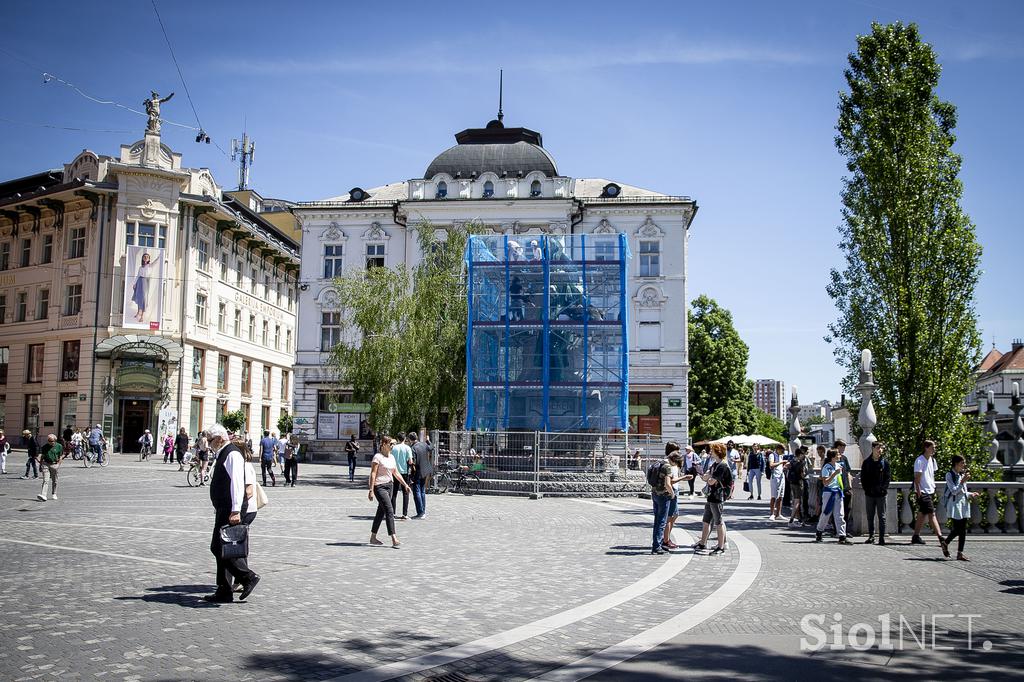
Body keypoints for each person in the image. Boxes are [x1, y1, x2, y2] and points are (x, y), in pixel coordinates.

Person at [204, 423, 259, 603]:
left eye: (211, 440)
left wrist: (235, 510)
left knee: (219, 547)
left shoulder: (232, 454)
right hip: (224, 508)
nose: (209, 444)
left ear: (220, 438)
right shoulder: (223, 453)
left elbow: (237, 484)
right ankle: (224, 589)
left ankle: (247, 577)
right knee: (223, 548)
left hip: (231, 509)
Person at [368, 436, 410, 548]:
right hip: (379, 486)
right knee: (389, 510)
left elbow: (396, 473)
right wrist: (371, 489)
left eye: (394, 444)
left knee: (380, 512)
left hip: (389, 486)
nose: (393, 446)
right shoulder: (377, 457)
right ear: (384, 444)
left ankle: (373, 537)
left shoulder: (392, 457)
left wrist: (405, 484)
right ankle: (394, 538)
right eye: (391, 444)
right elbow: (373, 474)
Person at [694, 443, 732, 554]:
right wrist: (707, 475)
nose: (711, 452)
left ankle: (721, 547)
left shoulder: (722, 466)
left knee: (718, 522)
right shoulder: (715, 464)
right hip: (711, 496)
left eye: (713, 450)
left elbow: (710, 481)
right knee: (706, 520)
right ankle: (703, 543)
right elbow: (705, 477)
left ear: (718, 452)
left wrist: (708, 477)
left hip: (718, 496)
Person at [911, 439, 948, 552]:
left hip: (930, 490)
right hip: (923, 491)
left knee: (922, 514)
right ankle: (941, 537)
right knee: (932, 514)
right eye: (932, 448)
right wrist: (919, 493)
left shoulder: (932, 460)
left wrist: (933, 487)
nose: (934, 450)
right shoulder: (919, 461)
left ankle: (915, 536)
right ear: (926, 448)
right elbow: (917, 479)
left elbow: (931, 475)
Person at [943, 455, 978, 561]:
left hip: (963, 504)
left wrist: (971, 494)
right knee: (958, 528)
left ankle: (959, 552)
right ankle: (946, 543)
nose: (964, 465)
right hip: (954, 505)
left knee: (962, 530)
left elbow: (962, 492)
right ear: (957, 464)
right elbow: (954, 491)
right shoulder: (949, 475)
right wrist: (962, 481)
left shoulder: (961, 475)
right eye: (962, 463)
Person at [815, 449, 851, 544]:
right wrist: (834, 473)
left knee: (840, 514)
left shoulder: (839, 465)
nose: (839, 455)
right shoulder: (827, 467)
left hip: (838, 492)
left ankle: (842, 536)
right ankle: (819, 531)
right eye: (837, 454)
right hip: (829, 492)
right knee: (826, 513)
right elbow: (825, 482)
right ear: (833, 456)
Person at [660, 444, 692, 551]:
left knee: (675, 514)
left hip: (674, 490)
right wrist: (684, 477)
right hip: (672, 491)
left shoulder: (670, 463)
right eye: (677, 451)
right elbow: (671, 481)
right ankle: (665, 540)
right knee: (670, 516)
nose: (679, 454)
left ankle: (666, 538)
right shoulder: (670, 464)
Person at [860, 441, 891, 545]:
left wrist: (883, 489)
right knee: (870, 516)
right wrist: (866, 489)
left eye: (881, 448)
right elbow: (863, 478)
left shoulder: (884, 462)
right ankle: (871, 536)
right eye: (878, 448)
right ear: (872, 448)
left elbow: (887, 478)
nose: (880, 450)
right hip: (869, 494)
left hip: (881, 494)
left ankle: (881, 537)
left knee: (882, 516)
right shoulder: (866, 462)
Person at [649, 446, 677, 555]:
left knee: (657, 520)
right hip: (663, 496)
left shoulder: (659, 463)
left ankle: (656, 544)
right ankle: (657, 547)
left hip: (655, 494)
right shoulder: (667, 467)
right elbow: (668, 484)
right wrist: (672, 494)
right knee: (661, 522)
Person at [130, 251, 159, 323]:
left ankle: (142, 316)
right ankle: (138, 312)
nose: (146, 258)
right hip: (140, 281)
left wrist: (160, 255)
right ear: (143, 258)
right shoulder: (141, 267)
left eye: (147, 257)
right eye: (144, 257)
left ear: (149, 259)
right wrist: (134, 283)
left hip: (146, 282)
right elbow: (138, 275)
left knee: (144, 298)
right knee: (139, 297)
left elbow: (156, 261)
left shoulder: (150, 265)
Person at [390, 433, 414, 520]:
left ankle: (392, 513)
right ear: (405, 439)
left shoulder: (393, 448)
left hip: (395, 472)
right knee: (405, 493)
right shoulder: (408, 448)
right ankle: (405, 514)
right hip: (404, 472)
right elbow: (410, 461)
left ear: (397, 438)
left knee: (394, 493)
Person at [36, 434, 65, 501]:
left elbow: (61, 456)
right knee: (45, 480)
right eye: (48, 440)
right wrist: (40, 465)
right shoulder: (45, 447)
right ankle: (43, 495)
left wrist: (58, 465)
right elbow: (42, 457)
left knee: (55, 480)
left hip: (54, 464)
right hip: (45, 464)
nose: (49, 442)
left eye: (51, 441)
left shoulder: (59, 446)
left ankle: (54, 493)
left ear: (55, 441)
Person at [411, 434, 433, 519]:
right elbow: (431, 447)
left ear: (410, 439)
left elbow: (414, 461)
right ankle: (423, 511)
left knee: (417, 491)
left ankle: (420, 512)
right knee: (422, 490)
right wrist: (428, 440)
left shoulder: (413, 448)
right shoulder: (424, 444)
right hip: (425, 470)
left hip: (418, 471)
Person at [834, 439, 853, 528]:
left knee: (847, 508)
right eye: (842, 447)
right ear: (838, 447)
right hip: (835, 488)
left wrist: (849, 486)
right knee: (837, 510)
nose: (844, 449)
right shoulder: (831, 458)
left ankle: (844, 529)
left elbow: (848, 472)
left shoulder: (844, 458)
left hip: (845, 487)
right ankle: (836, 528)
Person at [787, 446, 808, 525]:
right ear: (800, 454)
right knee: (797, 502)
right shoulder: (801, 463)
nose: (803, 455)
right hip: (798, 483)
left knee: (795, 501)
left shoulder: (792, 461)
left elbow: (787, 468)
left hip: (792, 483)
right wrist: (805, 475)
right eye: (802, 454)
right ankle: (791, 520)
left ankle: (799, 519)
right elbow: (802, 475)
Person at [767, 445, 787, 521]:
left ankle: (778, 513)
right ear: (778, 449)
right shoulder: (772, 455)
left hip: (781, 476)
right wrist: (781, 462)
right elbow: (771, 465)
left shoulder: (781, 456)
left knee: (781, 496)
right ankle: (772, 514)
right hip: (775, 477)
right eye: (782, 450)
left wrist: (784, 466)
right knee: (774, 496)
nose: (783, 452)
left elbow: (780, 466)